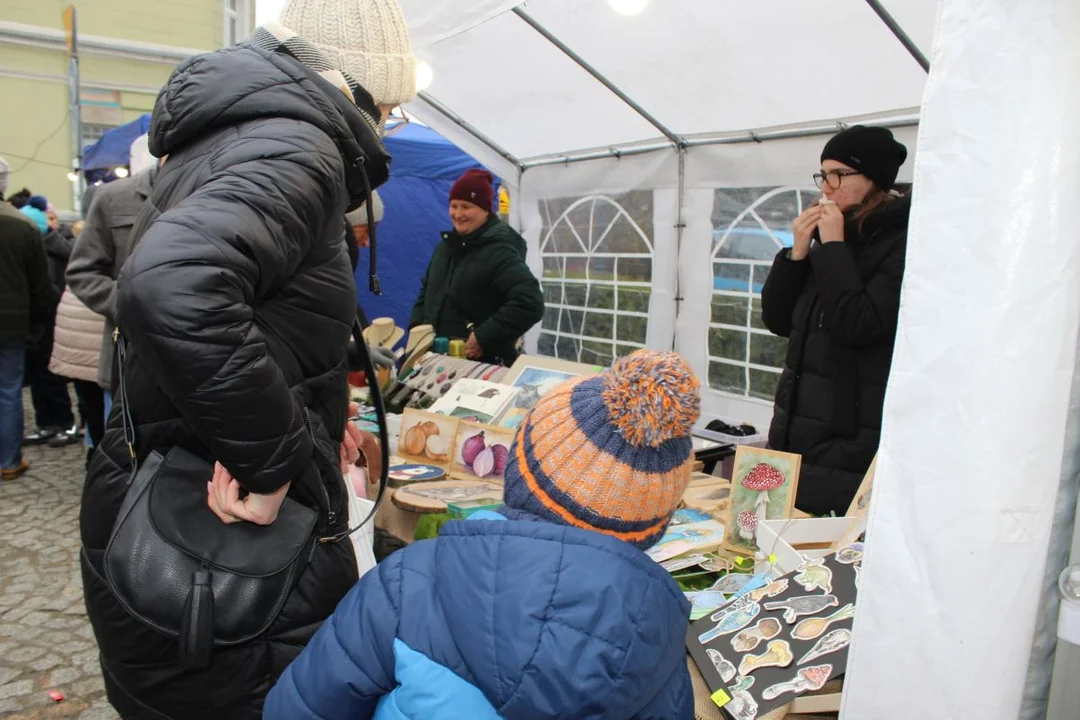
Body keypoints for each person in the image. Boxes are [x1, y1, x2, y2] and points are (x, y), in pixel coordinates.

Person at [78, 0, 417, 716]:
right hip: (216, 533)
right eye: (391, 105)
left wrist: (316, 413)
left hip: (174, 500)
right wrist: (273, 456)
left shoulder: (247, 134)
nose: (389, 123)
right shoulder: (296, 145)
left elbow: (256, 311)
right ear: (356, 85)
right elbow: (174, 286)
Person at [265, 349, 699, 719]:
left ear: (516, 469)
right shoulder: (661, 635)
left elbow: (297, 710)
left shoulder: (408, 583)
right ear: (653, 527)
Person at [760, 125, 910, 516]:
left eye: (839, 174)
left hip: (848, 440)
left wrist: (835, 247)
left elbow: (858, 325)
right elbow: (777, 320)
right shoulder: (830, 236)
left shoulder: (900, 240)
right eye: (823, 174)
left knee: (822, 558)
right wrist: (797, 253)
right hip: (794, 429)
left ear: (874, 178)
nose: (827, 186)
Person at [410, 169, 544, 366]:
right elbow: (426, 293)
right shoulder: (445, 248)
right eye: (454, 206)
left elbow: (529, 303)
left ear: (486, 210)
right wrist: (417, 334)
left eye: (466, 207)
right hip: (436, 361)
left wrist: (484, 336)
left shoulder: (500, 250)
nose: (458, 214)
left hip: (480, 364)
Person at [66, 165, 159, 413]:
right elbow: (82, 272)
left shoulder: (214, 192)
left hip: (200, 365)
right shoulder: (114, 197)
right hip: (128, 358)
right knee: (125, 445)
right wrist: (131, 304)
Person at [0, 157, 52, 480]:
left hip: (14, 323)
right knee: (8, 392)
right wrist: (36, 327)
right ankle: (8, 461)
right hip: (12, 324)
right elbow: (40, 286)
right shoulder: (23, 225)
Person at [49, 219, 107, 463]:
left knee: (91, 407)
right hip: (101, 353)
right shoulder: (112, 270)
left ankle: (95, 453)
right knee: (107, 409)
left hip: (78, 353)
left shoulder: (80, 271)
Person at [22, 199, 78, 446]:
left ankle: (64, 423)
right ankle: (47, 423)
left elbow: (53, 288)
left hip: (51, 320)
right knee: (39, 376)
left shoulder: (54, 249)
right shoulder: (42, 249)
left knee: (51, 375)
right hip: (39, 321)